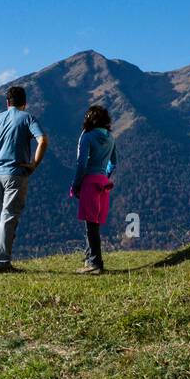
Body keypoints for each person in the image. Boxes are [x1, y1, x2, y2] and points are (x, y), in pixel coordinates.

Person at [0, 86, 48, 274]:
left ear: (7, 103)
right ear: (25, 103)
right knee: (8, 217)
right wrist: (33, 164)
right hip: (16, 173)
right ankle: (2, 264)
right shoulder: (28, 118)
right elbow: (43, 140)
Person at [70, 104, 117, 275]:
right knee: (95, 224)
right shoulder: (111, 138)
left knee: (90, 225)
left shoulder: (87, 136)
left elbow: (81, 164)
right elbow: (114, 162)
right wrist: (104, 175)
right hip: (103, 184)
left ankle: (95, 263)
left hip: (89, 182)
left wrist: (76, 184)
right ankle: (90, 258)